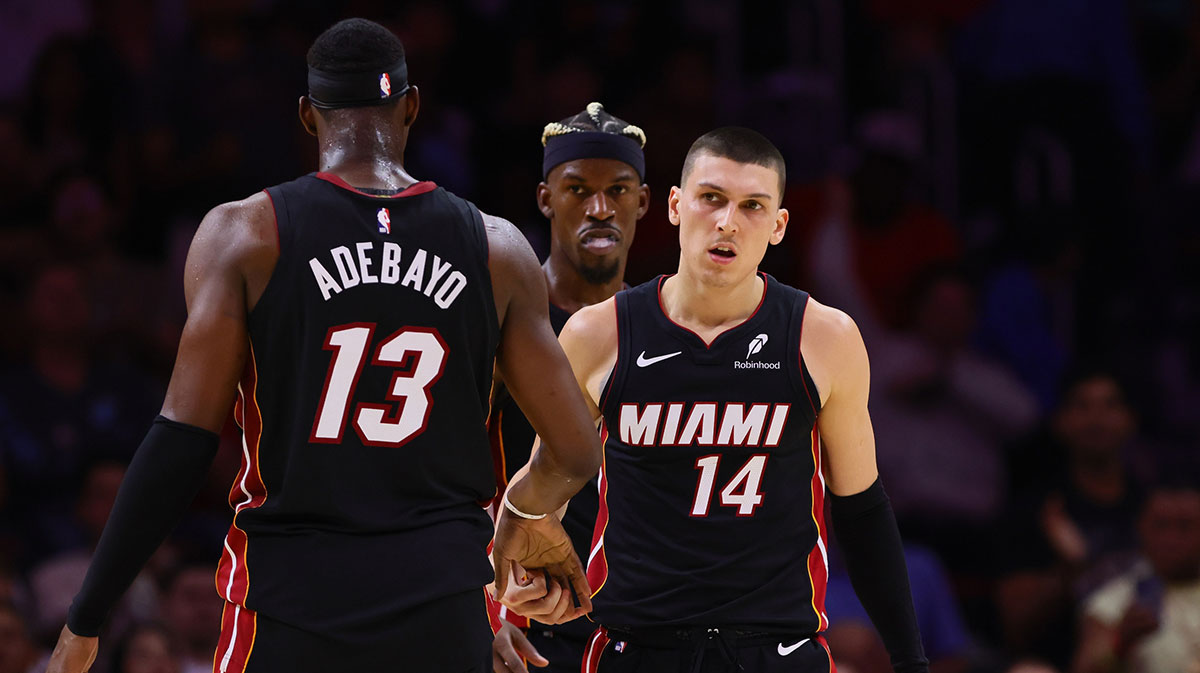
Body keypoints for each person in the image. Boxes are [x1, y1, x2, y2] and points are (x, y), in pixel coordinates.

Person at [46, 18, 601, 673]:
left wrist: (85, 619)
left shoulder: (244, 235)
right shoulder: (499, 248)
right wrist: (522, 519)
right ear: (412, 105)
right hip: (443, 607)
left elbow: (182, 440)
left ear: (308, 116)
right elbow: (571, 449)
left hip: (290, 602)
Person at [500, 127, 928, 672]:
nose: (727, 222)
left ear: (778, 226)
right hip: (637, 647)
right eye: (712, 199)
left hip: (779, 648)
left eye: (752, 206)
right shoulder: (597, 333)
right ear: (676, 206)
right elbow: (545, 488)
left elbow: (862, 511)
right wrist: (517, 581)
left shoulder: (824, 337)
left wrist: (911, 662)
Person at [490, 104, 649, 673]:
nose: (599, 208)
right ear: (545, 198)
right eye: (578, 189)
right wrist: (480, 608)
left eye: (618, 190)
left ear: (645, 202)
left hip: (641, 624)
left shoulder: (664, 324)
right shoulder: (501, 319)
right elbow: (439, 475)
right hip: (527, 615)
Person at [1071, 479, 1200, 673]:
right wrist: (1121, 644)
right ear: (1142, 528)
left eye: (1185, 526)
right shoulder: (1112, 601)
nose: (1172, 539)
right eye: (1161, 526)